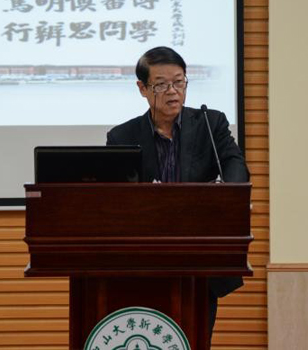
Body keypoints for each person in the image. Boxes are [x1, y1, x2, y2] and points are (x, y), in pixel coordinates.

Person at [106, 46, 249, 340]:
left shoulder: (211, 124)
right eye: (161, 85)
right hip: (143, 263)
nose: (173, 92)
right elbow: (114, 198)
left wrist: (227, 195)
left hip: (199, 261)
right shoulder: (122, 136)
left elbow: (235, 164)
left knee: (197, 339)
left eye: (179, 82)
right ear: (142, 88)